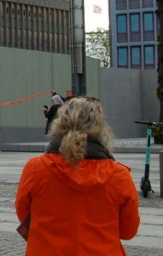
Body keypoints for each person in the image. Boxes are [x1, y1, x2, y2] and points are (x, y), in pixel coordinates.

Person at [16, 97, 139, 255]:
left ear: (59, 123)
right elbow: (128, 231)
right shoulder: (119, 175)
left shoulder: (36, 168)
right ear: (101, 128)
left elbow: (24, 215)